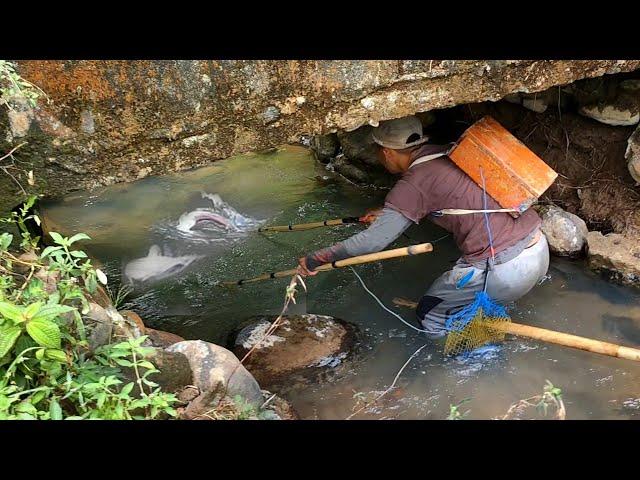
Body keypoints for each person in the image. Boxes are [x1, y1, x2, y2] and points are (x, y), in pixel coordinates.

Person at [296, 115, 550, 338]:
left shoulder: (412, 185)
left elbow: (372, 242)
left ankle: (462, 376)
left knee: (429, 316)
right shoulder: (452, 151)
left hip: (504, 270)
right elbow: (455, 199)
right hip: (538, 250)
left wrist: (315, 259)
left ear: (386, 152)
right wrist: (387, 214)